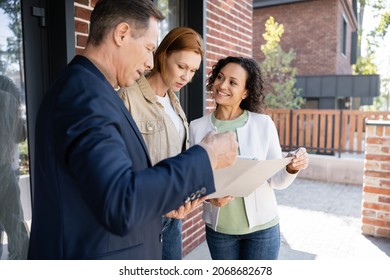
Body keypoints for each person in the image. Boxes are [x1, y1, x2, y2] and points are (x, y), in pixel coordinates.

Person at [27, 0, 238, 260]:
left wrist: (159, 203)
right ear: (122, 34)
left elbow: (104, 189)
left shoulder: (90, 89)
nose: (151, 62)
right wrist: (207, 156)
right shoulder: (85, 97)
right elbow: (121, 204)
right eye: (149, 48)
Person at [189, 56, 309, 260]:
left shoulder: (263, 124)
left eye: (233, 82)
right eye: (220, 77)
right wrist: (210, 198)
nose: (222, 85)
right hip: (220, 231)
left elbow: (276, 181)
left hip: (263, 231)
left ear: (245, 92)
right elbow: (193, 182)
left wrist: (291, 168)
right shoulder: (197, 127)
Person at [118, 26, 204, 260]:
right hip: (142, 221)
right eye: (182, 66)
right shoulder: (128, 96)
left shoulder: (174, 103)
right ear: (163, 55)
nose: (186, 77)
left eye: (193, 70)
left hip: (173, 220)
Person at [0, 75, 29, 260]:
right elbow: (20, 135)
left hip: (5, 168)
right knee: (15, 222)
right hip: (4, 169)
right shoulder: (9, 97)